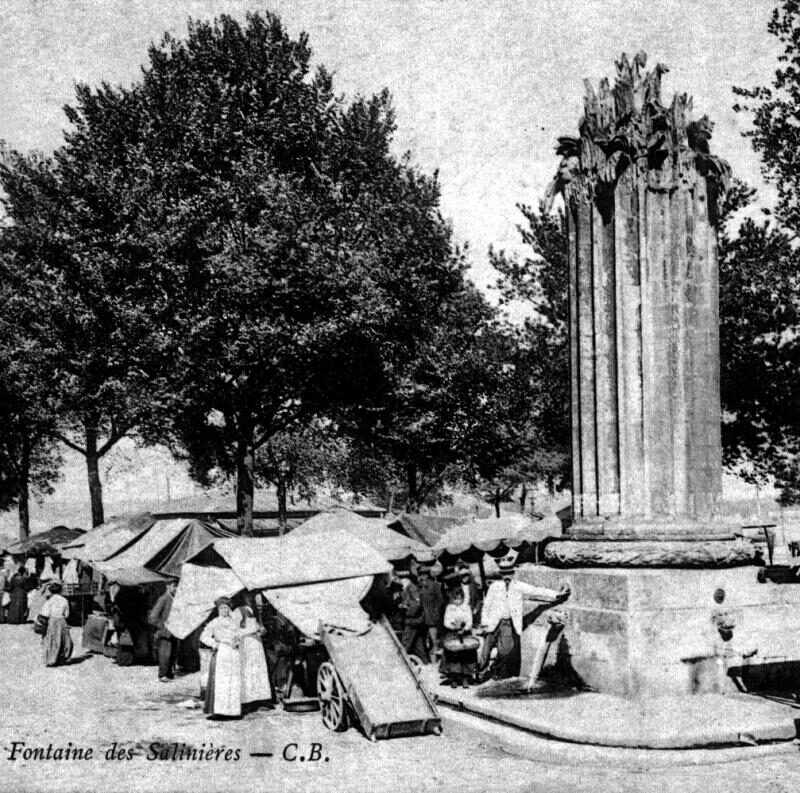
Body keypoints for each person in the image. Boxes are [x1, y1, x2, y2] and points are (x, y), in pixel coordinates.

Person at [479, 558, 570, 680]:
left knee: (505, 652)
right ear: (501, 574)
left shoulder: (518, 586)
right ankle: (480, 674)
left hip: (508, 624)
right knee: (486, 650)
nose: (507, 576)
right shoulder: (495, 587)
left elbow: (536, 590)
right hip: (492, 623)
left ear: (512, 574)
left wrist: (557, 595)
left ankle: (496, 670)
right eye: (504, 573)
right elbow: (487, 605)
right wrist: (484, 622)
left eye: (509, 573)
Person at [200, 597, 242, 719]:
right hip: (222, 652)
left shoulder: (234, 622)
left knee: (233, 681)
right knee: (222, 681)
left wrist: (237, 640)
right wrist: (214, 644)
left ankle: (232, 711)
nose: (224, 610)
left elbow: (239, 635)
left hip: (233, 653)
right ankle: (220, 711)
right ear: (218, 609)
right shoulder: (215, 622)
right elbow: (203, 636)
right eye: (222, 608)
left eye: (226, 608)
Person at [235, 593, 273, 711]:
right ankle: (247, 701)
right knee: (247, 672)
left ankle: (261, 700)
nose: (256, 600)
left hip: (257, 645)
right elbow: (236, 631)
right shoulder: (238, 611)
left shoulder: (254, 612)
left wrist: (261, 630)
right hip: (246, 645)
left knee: (258, 672)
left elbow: (258, 626)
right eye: (251, 597)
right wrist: (253, 630)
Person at [441, 573, 479, 688]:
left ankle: (466, 677)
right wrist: (453, 627)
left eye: (460, 598)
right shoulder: (450, 608)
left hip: (465, 632)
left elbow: (469, 620)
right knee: (453, 655)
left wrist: (464, 628)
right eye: (455, 599)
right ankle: (454, 677)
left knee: (467, 655)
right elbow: (446, 621)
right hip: (453, 632)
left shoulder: (466, 607)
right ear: (452, 598)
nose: (458, 601)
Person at [148, 579, 178, 682]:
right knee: (165, 654)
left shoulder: (175, 599)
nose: (176, 588)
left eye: (177, 586)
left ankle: (169, 673)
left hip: (174, 632)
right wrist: (163, 625)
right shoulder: (163, 599)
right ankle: (162, 674)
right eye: (174, 586)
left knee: (172, 653)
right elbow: (152, 617)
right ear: (167, 586)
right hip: (165, 632)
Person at [39, 582, 73, 667]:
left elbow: (45, 613)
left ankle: (52, 659)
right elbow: (67, 614)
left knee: (52, 639)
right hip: (62, 620)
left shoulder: (49, 601)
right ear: (60, 590)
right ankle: (63, 657)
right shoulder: (65, 600)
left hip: (52, 620)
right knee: (64, 639)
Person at [398, 570, 428, 662]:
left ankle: (400, 662)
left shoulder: (411, 588)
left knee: (405, 643)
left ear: (405, 579)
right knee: (417, 645)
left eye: (399, 579)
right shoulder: (408, 588)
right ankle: (426, 663)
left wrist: (407, 610)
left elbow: (416, 603)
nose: (399, 582)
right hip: (416, 620)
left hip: (412, 620)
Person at [418, 566, 444, 659]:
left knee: (433, 636)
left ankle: (435, 654)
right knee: (426, 637)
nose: (422, 577)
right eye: (421, 575)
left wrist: (436, 610)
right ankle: (430, 654)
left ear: (427, 575)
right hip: (423, 614)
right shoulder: (420, 586)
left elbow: (440, 600)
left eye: (424, 575)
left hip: (432, 613)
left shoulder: (434, 585)